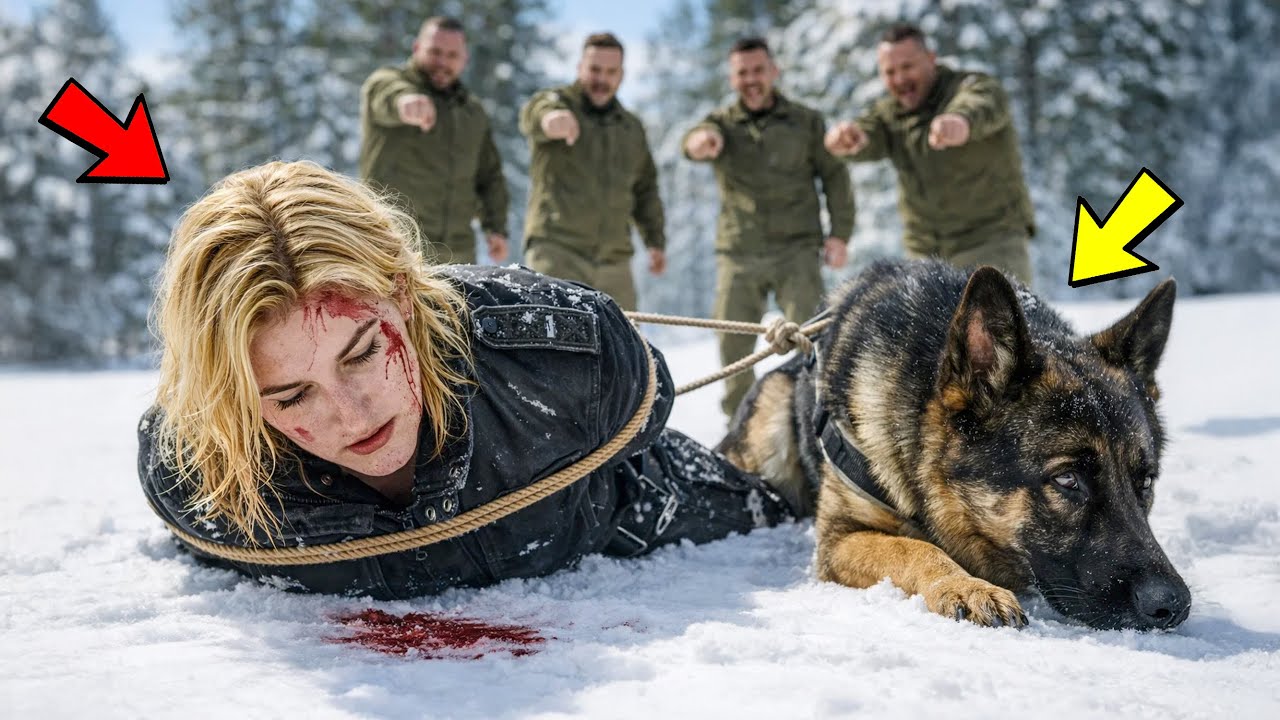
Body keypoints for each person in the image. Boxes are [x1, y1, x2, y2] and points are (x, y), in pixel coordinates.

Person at [137, 161, 791, 599]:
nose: (353, 415)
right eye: (290, 394)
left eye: (363, 353)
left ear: (402, 293)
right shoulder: (200, 480)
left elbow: (645, 401)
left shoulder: (566, 358)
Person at [681, 37, 855, 419]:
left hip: (796, 251)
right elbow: (691, 142)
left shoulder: (806, 121)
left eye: (758, 70)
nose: (751, 79)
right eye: (742, 73)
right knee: (731, 341)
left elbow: (835, 177)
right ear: (732, 78)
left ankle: (812, 418)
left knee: (812, 336)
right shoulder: (721, 125)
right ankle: (739, 419)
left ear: (774, 72)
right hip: (739, 251)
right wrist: (700, 143)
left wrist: (840, 234)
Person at [824, 22, 1035, 285]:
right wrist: (849, 138)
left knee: (1004, 325)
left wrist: (959, 122)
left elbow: (982, 104)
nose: (900, 79)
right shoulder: (890, 114)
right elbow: (868, 131)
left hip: (991, 242)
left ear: (931, 59)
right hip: (926, 255)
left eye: (907, 67)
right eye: (890, 71)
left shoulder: (971, 87)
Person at [518, 32, 665, 311]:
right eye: (595, 69)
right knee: (552, 346)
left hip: (614, 262)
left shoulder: (631, 128)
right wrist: (552, 120)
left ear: (621, 75)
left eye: (611, 71)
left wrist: (655, 241)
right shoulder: (556, 102)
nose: (602, 79)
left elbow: (645, 189)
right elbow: (535, 113)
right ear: (580, 68)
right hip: (558, 253)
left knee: (625, 347)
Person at [359, 16, 509, 265]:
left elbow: (489, 175)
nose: (442, 62)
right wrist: (405, 102)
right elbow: (384, 93)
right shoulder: (388, 82)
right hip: (393, 245)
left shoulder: (472, 111)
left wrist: (497, 228)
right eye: (435, 52)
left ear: (465, 59)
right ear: (417, 48)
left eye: (452, 55)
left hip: (457, 253)